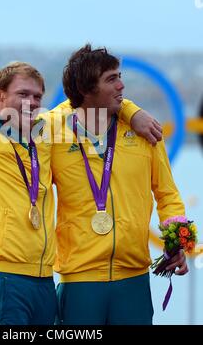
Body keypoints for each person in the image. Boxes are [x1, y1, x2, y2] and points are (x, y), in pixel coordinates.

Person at [0, 0, 162, 325]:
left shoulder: (45, 138)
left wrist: (130, 110)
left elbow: (83, 99)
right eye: (22, 94)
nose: (32, 103)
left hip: (43, 282)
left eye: (38, 97)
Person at [51, 44, 188, 325]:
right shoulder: (53, 134)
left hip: (133, 279)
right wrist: (130, 108)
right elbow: (23, 124)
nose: (122, 85)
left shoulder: (145, 132)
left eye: (119, 76)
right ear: (87, 89)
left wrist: (178, 241)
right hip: (79, 281)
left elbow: (167, 194)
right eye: (111, 79)